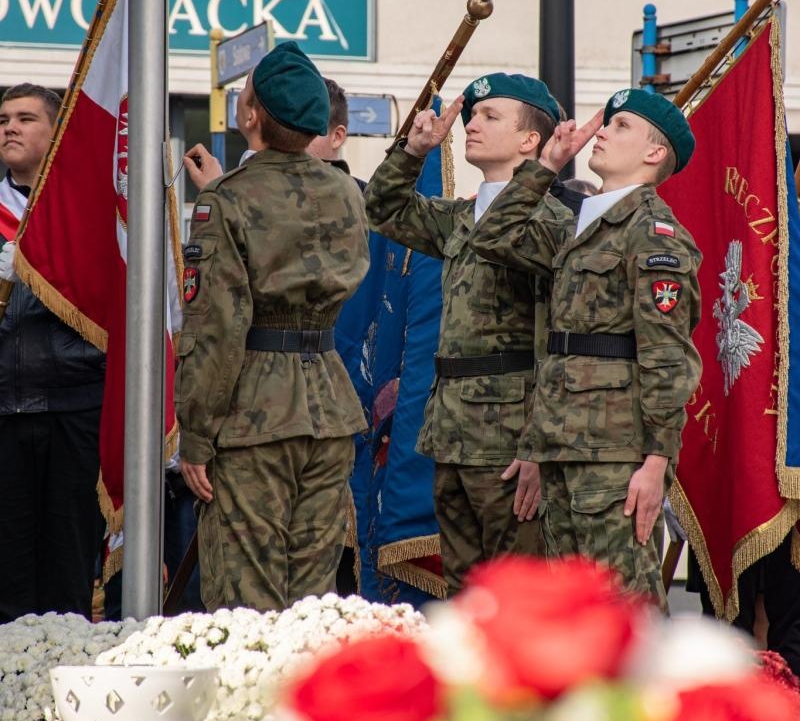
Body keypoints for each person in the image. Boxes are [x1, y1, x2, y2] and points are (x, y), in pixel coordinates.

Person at [470, 87, 701, 610]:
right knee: (574, 612)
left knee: (626, 607)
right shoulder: (580, 227)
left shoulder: (654, 234)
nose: (601, 132)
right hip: (562, 444)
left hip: (615, 455)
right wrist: (547, 166)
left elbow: (668, 358)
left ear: (654, 153)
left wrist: (657, 463)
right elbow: (492, 235)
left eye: (621, 126)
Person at [364, 73, 584, 596]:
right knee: (466, 598)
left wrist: (540, 446)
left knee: (516, 598)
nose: (471, 125)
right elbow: (382, 209)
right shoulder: (463, 217)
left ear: (530, 140)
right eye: (472, 115)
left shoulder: (551, 221)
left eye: (490, 116)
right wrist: (413, 152)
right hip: (453, 431)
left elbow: (558, 343)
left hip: (511, 440)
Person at [175, 42, 370, 612]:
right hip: (329, 405)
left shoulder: (226, 199)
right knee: (311, 600)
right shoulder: (344, 190)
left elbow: (216, 328)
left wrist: (196, 434)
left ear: (251, 115)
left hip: (252, 412)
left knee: (246, 601)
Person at [0, 83, 105, 622]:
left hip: (74, 403)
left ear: (56, 131)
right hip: (4, 407)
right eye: (3, 120)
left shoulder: (87, 208)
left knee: (69, 568)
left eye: (25, 118)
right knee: (9, 572)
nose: (10, 129)